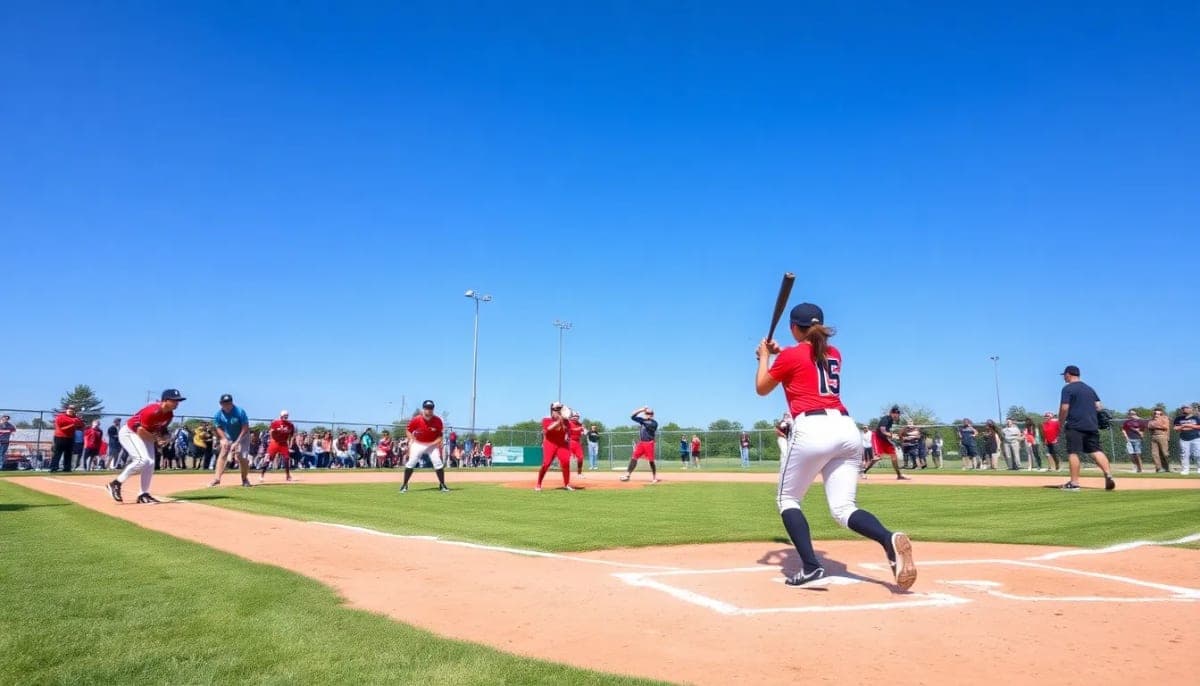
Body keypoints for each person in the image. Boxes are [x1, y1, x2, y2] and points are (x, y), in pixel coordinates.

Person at [755, 301, 916, 589]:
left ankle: (811, 567)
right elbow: (805, 361)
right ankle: (887, 538)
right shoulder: (833, 353)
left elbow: (762, 388)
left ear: (794, 328)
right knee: (843, 508)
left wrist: (764, 357)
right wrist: (780, 354)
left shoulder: (791, 356)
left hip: (812, 427)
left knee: (787, 499)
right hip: (845, 427)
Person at [105, 390, 186, 504]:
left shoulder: (169, 414)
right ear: (165, 400)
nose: (177, 403)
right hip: (130, 433)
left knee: (151, 463)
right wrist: (157, 440)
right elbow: (140, 430)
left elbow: (162, 430)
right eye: (174, 400)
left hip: (145, 434)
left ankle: (143, 494)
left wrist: (166, 438)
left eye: (178, 401)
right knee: (142, 460)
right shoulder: (152, 410)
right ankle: (115, 484)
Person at [1057, 365, 1115, 491]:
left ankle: (1074, 483)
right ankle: (1108, 474)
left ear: (1069, 374)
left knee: (1073, 452)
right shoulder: (1089, 389)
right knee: (1096, 450)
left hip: (1075, 424)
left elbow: (1064, 408)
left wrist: (1060, 422)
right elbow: (1099, 407)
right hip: (1091, 425)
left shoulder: (1068, 388)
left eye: (1064, 375)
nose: (1064, 378)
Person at [399, 400, 449, 493]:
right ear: (423, 409)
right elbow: (408, 430)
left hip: (432, 444)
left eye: (431, 408)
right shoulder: (417, 419)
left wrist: (435, 443)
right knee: (411, 462)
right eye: (427, 408)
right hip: (418, 443)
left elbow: (440, 435)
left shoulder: (438, 420)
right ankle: (404, 485)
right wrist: (411, 438)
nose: (429, 410)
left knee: (438, 462)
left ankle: (442, 485)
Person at [210, 394, 252, 487]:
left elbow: (245, 428)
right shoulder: (218, 415)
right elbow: (218, 427)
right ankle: (217, 478)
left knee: (242, 456)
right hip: (228, 436)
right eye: (224, 403)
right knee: (223, 453)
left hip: (243, 435)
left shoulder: (240, 412)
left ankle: (244, 479)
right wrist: (223, 439)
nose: (227, 405)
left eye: (229, 403)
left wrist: (237, 442)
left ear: (232, 403)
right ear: (220, 404)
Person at [536, 402, 574, 491]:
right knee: (546, 463)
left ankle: (567, 484)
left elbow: (567, 431)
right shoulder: (546, 420)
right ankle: (538, 484)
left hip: (562, 444)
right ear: (552, 410)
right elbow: (549, 429)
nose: (557, 411)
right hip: (550, 443)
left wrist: (567, 435)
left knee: (565, 462)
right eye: (556, 409)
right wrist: (559, 421)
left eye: (559, 409)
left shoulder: (566, 421)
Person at [619, 407, 659, 483]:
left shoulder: (654, 423)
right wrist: (641, 410)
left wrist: (642, 420)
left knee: (651, 461)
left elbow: (649, 425)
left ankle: (654, 477)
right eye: (647, 413)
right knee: (634, 457)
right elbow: (632, 417)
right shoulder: (643, 420)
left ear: (653, 415)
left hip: (649, 443)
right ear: (645, 414)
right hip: (641, 443)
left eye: (650, 414)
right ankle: (628, 475)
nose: (649, 415)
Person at [868, 407, 908, 479]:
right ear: (891, 413)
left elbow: (886, 432)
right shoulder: (885, 419)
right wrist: (893, 435)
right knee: (877, 457)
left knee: (893, 455)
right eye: (895, 414)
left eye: (898, 414)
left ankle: (899, 475)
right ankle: (863, 472)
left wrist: (895, 435)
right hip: (877, 437)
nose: (896, 415)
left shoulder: (891, 421)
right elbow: (883, 431)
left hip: (884, 439)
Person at [262, 410, 296, 482]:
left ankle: (288, 476)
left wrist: (289, 443)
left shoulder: (290, 425)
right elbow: (271, 432)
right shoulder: (275, 423)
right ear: (281, 416)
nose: (285, 417)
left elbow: (292, 435)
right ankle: (262, 475)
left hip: (283, 443)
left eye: (286, 416)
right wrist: (271, 440)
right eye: (284, 416)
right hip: (275, 442)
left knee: (286, 459)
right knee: (268, 458)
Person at [51, 405, 85, 472]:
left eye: (73, 409)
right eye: (69, 409)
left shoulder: (75, 418)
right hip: (60, 437)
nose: (71, 410)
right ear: (66, 409)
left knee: (68, 453)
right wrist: (73, 424)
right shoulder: (61, 417)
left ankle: (67, 468)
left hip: (70, 437)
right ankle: (54, 467)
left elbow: (82, 425)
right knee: (57, 453)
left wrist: (79, 421)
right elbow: (62, 428)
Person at [1175, 405, 1200, 475]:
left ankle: (1199, 468)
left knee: (1198, 454)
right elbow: (1176, 428)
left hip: (1196, 438)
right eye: (1183, 408)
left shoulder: (1196, 418)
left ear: (1191, 409)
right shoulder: (1178, 418)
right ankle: (1185, 470)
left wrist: (1189, 426)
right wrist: (1183, 426)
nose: (1184, 409)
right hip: (1183, 439)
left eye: (1186, 408)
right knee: (1184, 455)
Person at [567, 411, 586, 476]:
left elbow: (584, 432)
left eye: (577, 416)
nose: (576, 418)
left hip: (577, 442)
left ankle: (579, 473)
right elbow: (572, 430)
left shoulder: (580, 424)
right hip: (570, 442)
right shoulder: (568, 423)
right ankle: (566, 473)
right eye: (574, 416)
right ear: (571, 417)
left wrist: (584, 431)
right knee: (566, 458)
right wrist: (580, 428)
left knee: (581, 457)